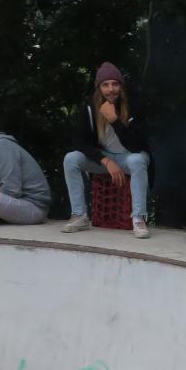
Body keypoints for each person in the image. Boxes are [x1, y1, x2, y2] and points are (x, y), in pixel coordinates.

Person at [62, 62, 151, 238]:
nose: (111, 89)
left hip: (129, 157)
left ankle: (138, 218)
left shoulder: (134, 105)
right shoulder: (89, 109)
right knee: (71, 158)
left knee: (137, 160)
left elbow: (137, 145)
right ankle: (79, 215)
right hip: (105, 159)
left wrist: (114, 120)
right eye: (105, 84)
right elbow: (80, 142)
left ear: (121, 86)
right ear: (99, 88)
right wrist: (106, 161)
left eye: (115, 84)